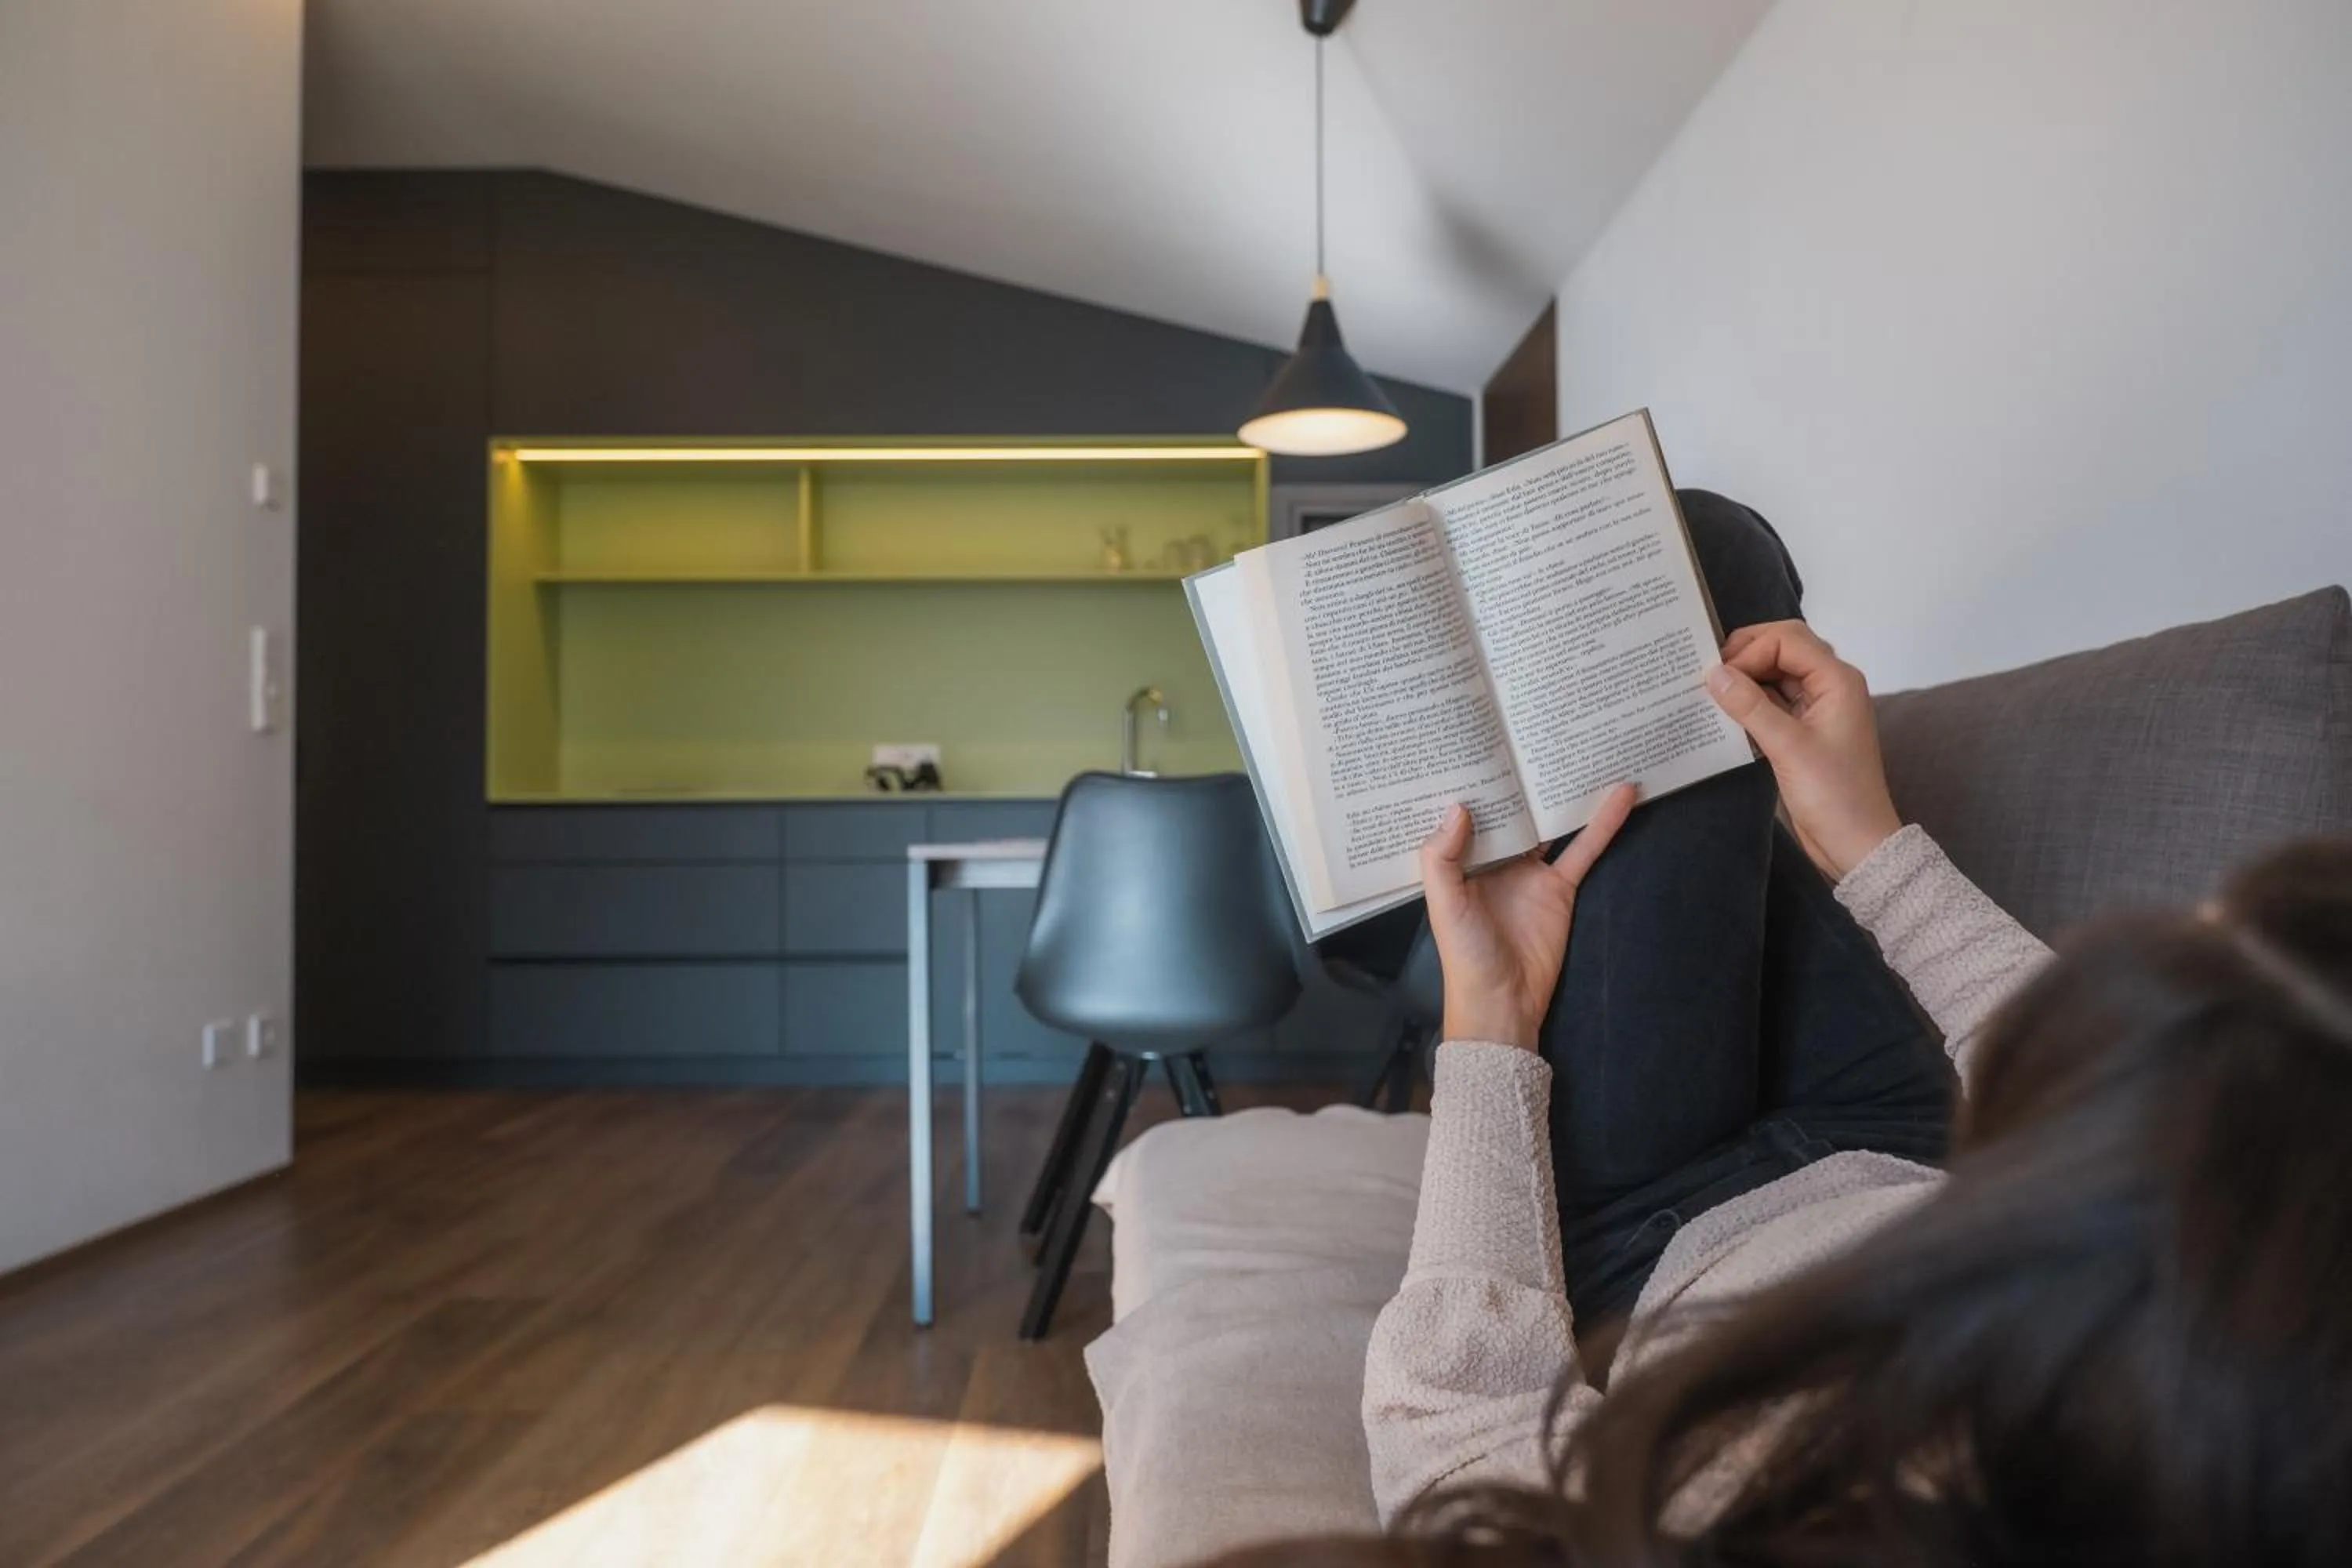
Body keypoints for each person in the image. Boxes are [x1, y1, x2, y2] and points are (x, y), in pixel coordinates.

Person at [1217, 494, 2352, 1565]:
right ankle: (1389, 930)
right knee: (1699, 563)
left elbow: (1454, 1443)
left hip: (1649, 1239)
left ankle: (1387, 934)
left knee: (1693, 552)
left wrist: (1491, 1022)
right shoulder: (2247, 1346)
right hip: (1905, 1141)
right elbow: (2104, 1101)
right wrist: (1870, 841)